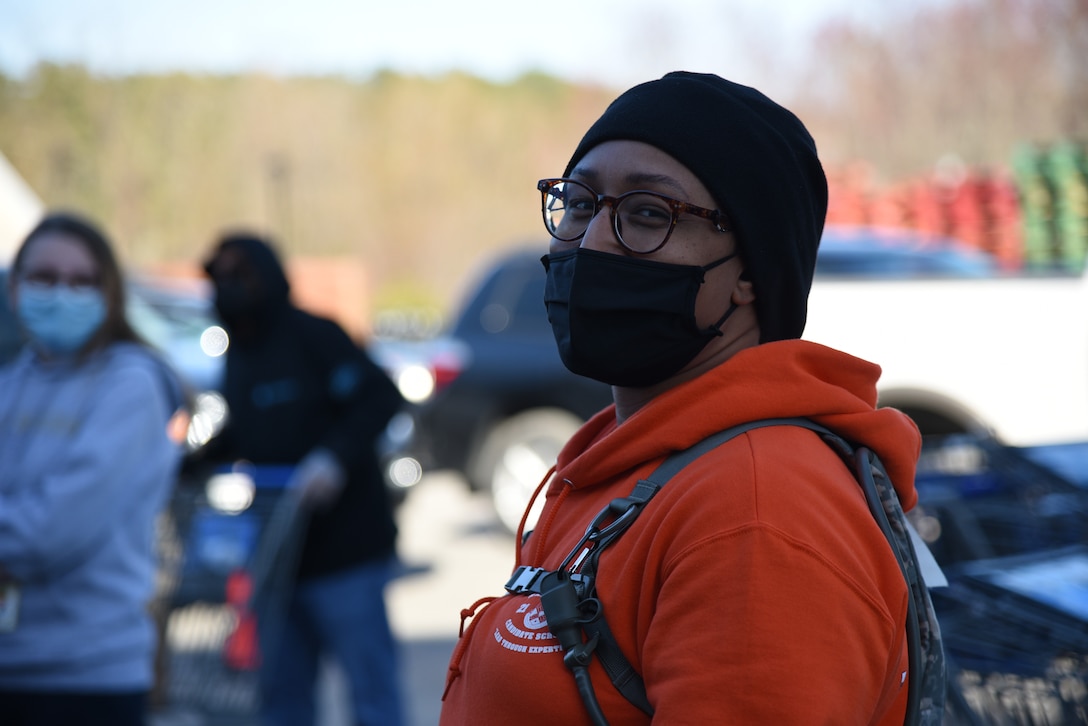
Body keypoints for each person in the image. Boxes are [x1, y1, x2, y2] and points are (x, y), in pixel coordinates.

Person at [439, 72, 925, 724]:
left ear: (750, 273)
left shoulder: (757, 510)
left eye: (648, 214)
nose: (590, 241)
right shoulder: (625, 462)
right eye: (579, 202)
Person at [200, 232, 406, 726]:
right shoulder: (239, 354)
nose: (229, 287)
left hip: (344, 555)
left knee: (371, 694)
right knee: (281, 698)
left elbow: (378, 398)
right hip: (277, 557)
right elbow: (244, 427)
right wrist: (193, 461)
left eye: (240, 275)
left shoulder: (315, 335)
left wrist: (332, 458)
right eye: (220, 276)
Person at [0, 212, 185, 726]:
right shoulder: (12, 382)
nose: (62, 294)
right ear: (15, 288)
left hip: (85, 674)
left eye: (82, 281)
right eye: (44, 278)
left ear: (110, 294)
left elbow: (54, 530)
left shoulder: (130, 385)